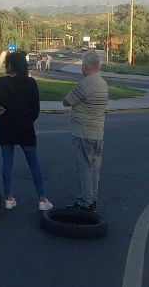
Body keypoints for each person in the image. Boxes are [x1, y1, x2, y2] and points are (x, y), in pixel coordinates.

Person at [0, 52, 53, 211]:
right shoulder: (31, 83)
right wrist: (27, 119)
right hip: (25, 127)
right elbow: (36, 110)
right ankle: (42, 199)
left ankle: (9, 198)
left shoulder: (1, 83)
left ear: (11, 66)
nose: (6, 66)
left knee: (7, 164)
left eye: (7, 63)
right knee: (34, 164)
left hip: (6, 126)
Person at [62, 50, 108, 212]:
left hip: (83, 133)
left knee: (84, 169)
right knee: (95, 169)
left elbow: (66, 101)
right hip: (98, 133)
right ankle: (92, 199)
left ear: (85, 67)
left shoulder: (86, 84)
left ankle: (85, 202)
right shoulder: (103, 83)